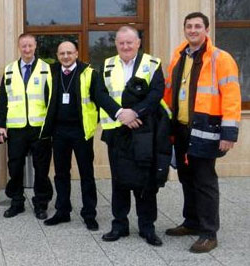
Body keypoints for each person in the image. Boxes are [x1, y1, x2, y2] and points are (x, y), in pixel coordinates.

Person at [163, 12, 241, 253]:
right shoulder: (178, 56)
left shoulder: (221, 58)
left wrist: (229, 133)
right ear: (185, 29)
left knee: (205, 181)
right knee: (186, 178)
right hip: (181, 129)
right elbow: (169, 92)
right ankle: (192, 222)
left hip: (206, 129)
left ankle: (209, 233)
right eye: (189, 26)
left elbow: (231, 97)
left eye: (198, 26)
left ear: (207, 30)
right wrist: (166, 126)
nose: (193, 30)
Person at [40, 41, 121, 230]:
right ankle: (62, 211)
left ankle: (89, 214)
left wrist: (118, 113)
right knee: (61, 173)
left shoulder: (89, 73)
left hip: (81, 131)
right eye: (62, 53)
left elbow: (100, 97)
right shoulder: (52, 73)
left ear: (77, 53)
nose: (66, 56)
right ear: (58, 55)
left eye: (69, 53)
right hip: (59, 131)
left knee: (86, 174)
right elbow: (47, 97)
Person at [99, 26, 166, 246]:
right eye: (121, 43)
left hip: (142, 130)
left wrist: (135, 112)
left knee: (145, 180)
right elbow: (99, 94)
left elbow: (156, 93)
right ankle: (120, 224)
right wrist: (120, 113)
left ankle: (147, 227)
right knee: (118, 179)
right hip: (116, 130)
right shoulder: (107, 64)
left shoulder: (152, 64)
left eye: (130, 42)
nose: (125, 46)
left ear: (138, 43)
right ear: (116, 44)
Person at [0, 33, 53, 220]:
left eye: (30, 46)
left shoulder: (46, 69)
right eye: (23, 46)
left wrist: (50, 125)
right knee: (15, 166)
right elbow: (2, 100)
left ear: (36, 46)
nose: (27, 50)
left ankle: (41, 204)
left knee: (41, 168)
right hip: (16, 128)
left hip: (39, 127)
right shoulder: (10, 70)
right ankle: (17, 202)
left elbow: (51, 100)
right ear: (19, 47)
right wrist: (1, 125)